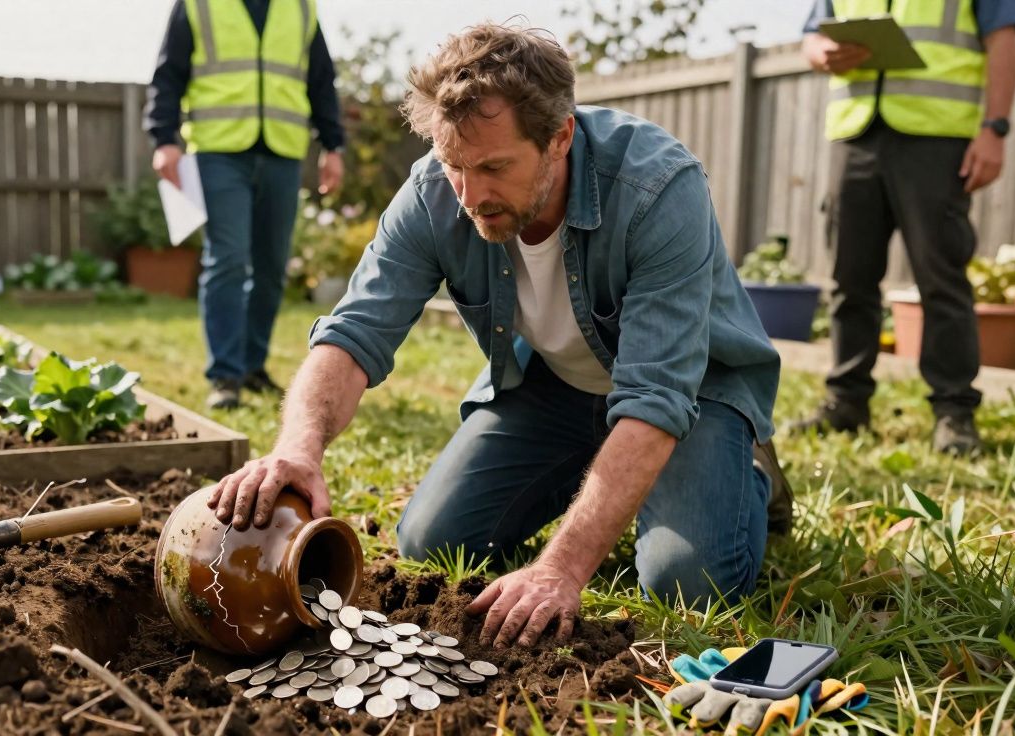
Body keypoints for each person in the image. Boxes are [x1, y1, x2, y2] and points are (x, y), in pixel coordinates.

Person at [207, 23, 791, 648]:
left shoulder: (658, 189)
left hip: (691, 396)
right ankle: (601, 476)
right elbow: (354, 333)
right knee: (431, 541)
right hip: (556, 385)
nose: (471, 195)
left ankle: (747, 465)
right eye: (455, 164)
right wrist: (298, 446)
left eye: (494, 167)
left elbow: (656, 397)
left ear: (560, 136)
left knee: (686, 581)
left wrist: (560, 567)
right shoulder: (435, 190)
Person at [798, 0, 1015, 454]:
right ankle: (846, 401)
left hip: (937, 137)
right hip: (855, 135)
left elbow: (1003, 39)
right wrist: (822, 53)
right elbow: (812, 34)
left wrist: (994, 129)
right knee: (849, 278)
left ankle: (954, 412)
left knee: (941, 279)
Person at [145, 0, 346, 410]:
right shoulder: (198, 6)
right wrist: (164, 138)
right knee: (229, 258)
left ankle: (253, 366)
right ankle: (225, 375)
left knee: (273, 265)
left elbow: (321, 80)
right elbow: (168, 75)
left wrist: (333, 145)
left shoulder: (301, 8)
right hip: (219, 151)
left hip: (282, 152)